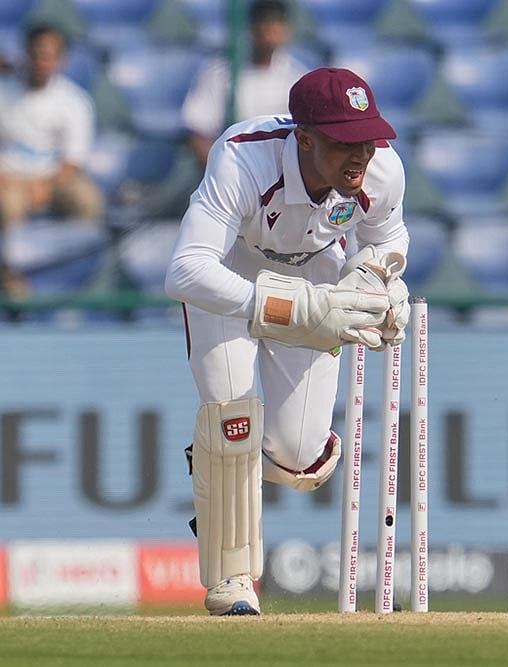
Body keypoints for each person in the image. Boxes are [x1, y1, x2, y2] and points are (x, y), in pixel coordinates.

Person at [164, 67, 410, 616]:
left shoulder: (382, 171)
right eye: (344, 142)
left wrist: (374, 292)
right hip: (229, 278)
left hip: (313, 273)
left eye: (367, 139)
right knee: (232, 419)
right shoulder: (242, 157)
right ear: (304, 138)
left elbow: (387, 244)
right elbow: (185, 270)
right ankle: (232, 581)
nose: (360, 156)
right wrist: (291, 306)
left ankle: (219, 464)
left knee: (303, 461)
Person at [181, 0, 309, 168]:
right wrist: (220, 172)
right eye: (262, 21)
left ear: (286, 30)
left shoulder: (298, 77)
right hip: (230, 166)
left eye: (275, 22)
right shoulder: (219, 71)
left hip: (281, 171)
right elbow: (197, 130)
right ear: (250, 28)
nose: (267, 29)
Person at [0, 23, 104, 229]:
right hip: (8, 178)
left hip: (55, 178)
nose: (41, 62)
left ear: (62, 60)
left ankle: (80, 259)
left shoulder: (75, 101)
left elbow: (73, 160)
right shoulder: (3, 92)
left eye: (48, 56)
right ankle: (10, 261)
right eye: (36, 54)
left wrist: (45, 187)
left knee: (88, 202)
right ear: (25, 54)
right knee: (8, 207)